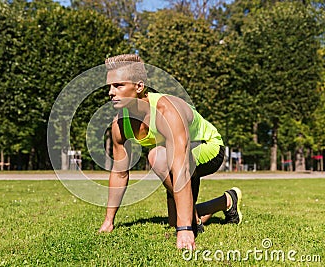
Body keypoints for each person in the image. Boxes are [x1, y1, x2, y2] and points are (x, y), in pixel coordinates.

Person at [98, 54, 242, 250]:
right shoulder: (120, 123)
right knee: (174, 219)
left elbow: (180, 167)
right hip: (175, 157)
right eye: (109, 86)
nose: (110, 93)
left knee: (156, 156)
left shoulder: (167, 111)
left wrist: (184, 230)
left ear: (139, 87)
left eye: (118, 86)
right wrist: (108, 221)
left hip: (210, 147)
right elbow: (120, 172)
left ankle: (191, 220)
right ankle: (227, 201)